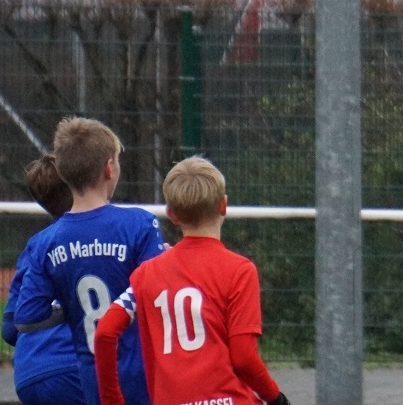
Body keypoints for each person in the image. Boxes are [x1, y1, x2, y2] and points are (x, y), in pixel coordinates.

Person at [93, 156, 289, 405]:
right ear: (223, 206)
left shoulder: (146, 274)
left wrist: (112, 401)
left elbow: (105, 332)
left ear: (172, 215)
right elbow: (243, 356)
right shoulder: (239, 270)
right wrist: (275, 397)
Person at [14, 117, 166, 405]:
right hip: (140, 376)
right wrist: (167, 264)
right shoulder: (140, 224)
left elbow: (26, 317)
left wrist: (68, 304)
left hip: (92, 379)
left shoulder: (46, 243)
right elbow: (158, 294)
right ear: (109, 168)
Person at [1, 154, 86, 405]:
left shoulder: (35, 247)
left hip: (29, 375)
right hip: (75, 368)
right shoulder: (102, 237)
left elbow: (9, 329)